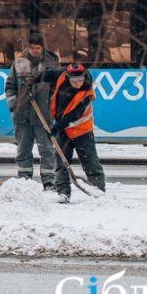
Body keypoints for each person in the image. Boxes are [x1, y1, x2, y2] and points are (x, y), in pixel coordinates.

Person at [36, 63, 106, 203]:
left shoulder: (87, 92)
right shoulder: (62, 74)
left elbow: (74, 115)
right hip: (64, 130)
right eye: (74, 81)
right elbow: (48, 75)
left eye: (80, 80)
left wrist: (56, 127)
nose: (78, 83)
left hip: (82, 131)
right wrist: (33, 80)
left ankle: (99, 191)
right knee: (61, 161)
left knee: (90, 161)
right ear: (68, 78)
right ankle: (63, 193)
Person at [4, 33, 58, 190]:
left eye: (38, 48)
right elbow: (10, 86)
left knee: (47, 149)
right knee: (23, 149)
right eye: (32, 47)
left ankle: (49, 181)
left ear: (42, 48)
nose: (35, 51)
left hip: (43, 115)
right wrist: (14, 106)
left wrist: (51, 106)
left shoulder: (51, 63)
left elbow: (56, 89)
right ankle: (24, 181)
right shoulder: (19, 63)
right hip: (22, 115)